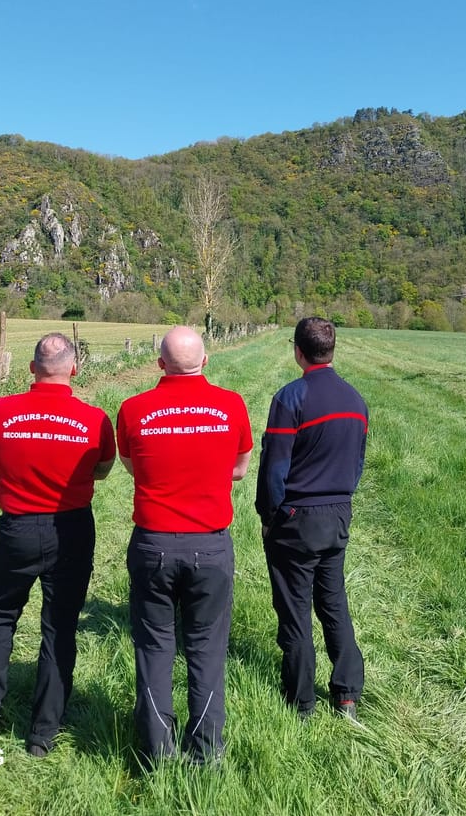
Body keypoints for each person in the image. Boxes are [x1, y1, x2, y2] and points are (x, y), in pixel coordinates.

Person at [0, 333, 115, 756]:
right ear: (74, 369)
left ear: (31, 368)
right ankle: (43, 733)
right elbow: (101, 471)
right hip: (69, 528)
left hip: (16, 527)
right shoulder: (95, 420)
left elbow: (0, 455)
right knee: (59, 625)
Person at [116, 326, 253, 766]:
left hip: (153, 542)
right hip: (210, 546)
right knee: (206, 648)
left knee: (155, 647)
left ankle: (158, 752)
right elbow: (240, 468)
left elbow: (131, 466)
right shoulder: (231, 406)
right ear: (206, 360)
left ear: (159, 364)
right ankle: (207, 750)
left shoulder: (133, 410)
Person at [256, 317, 368, 721]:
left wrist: (270, 515)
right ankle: (347, 694)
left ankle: (301, 701)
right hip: (338, 515)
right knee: (334, 602)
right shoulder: (356, 400)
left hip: (297, 518)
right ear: (332, 350)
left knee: (295, 609)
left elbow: (274, 468)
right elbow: (357, 463)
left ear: (297, 351)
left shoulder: (291, 398)